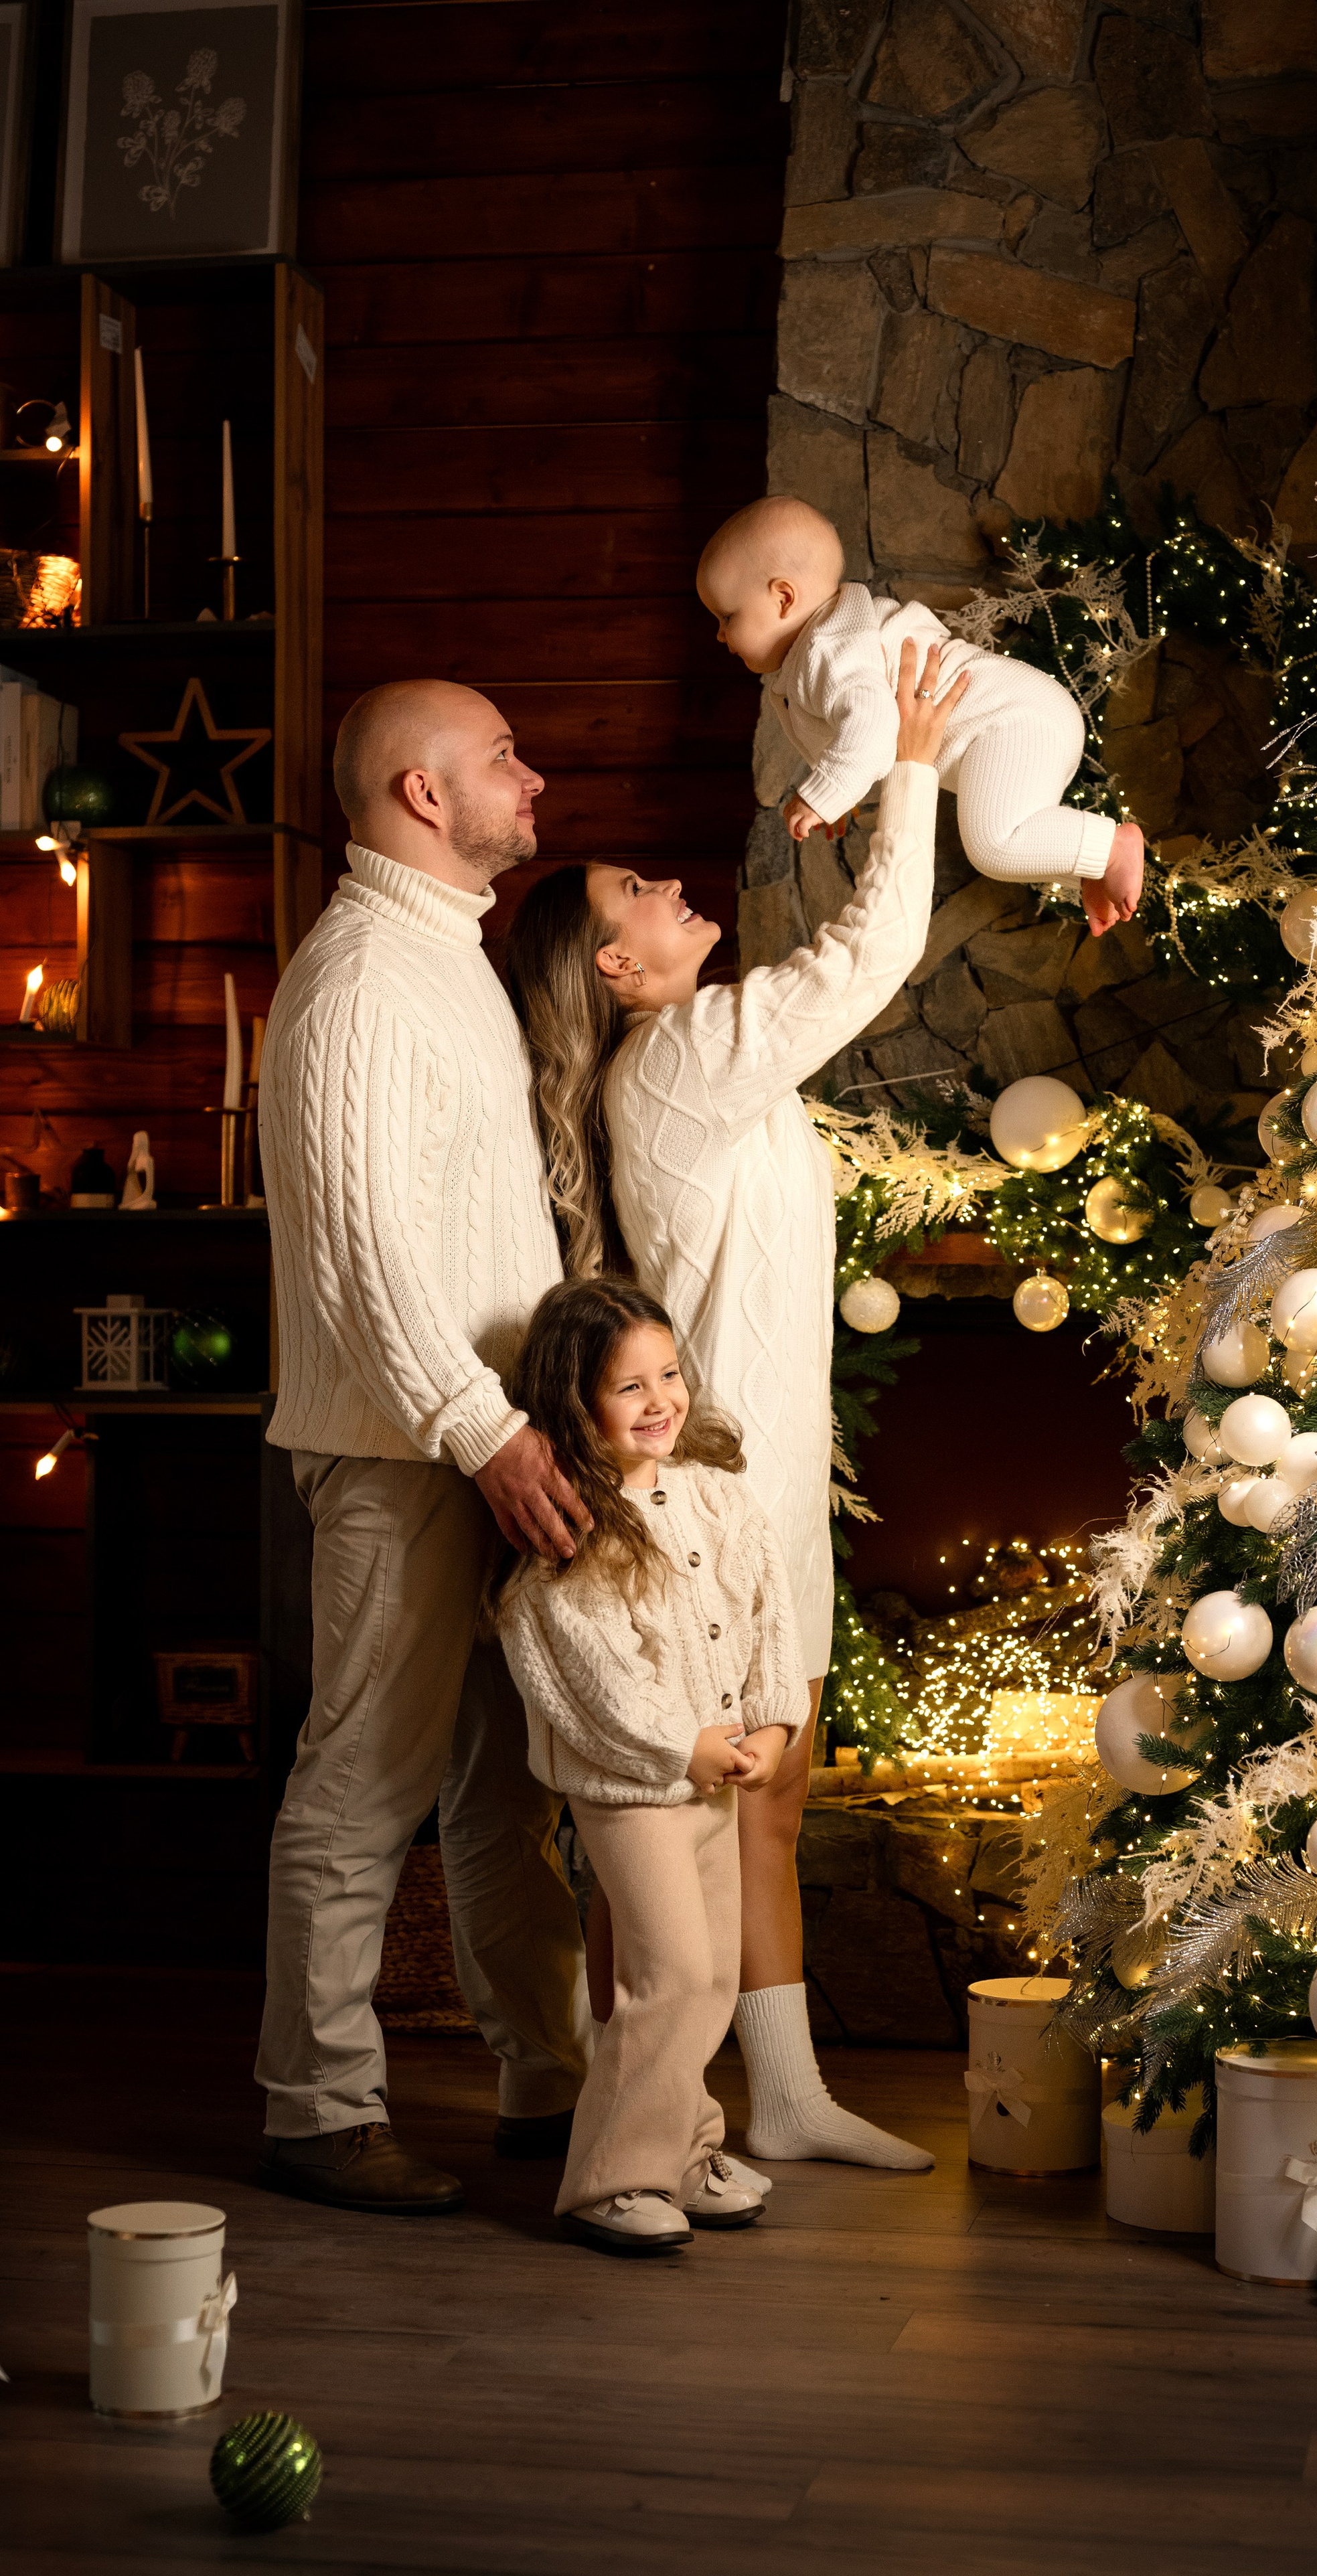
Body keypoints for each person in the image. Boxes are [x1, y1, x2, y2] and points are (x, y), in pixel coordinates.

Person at [506, 640, 959, 2171]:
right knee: (689, 1807)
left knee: (772, 1790)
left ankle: (780, 2089)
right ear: (616, 967)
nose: (666, 886)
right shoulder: (684, 1055)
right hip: (717, 1492)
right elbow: (868, 949)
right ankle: (644, 2106)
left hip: (756, 1480)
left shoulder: (702, 1069)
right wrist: (911, 758)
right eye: (635, 888)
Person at [255, 678, 594, 2214]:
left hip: (483, 1439)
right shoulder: (355, 987)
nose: (533, 776)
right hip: (407, 1451)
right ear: (416, 793)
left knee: (498, 1787)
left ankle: (550, 2084)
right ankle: (317, 2110)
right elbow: (361, 1257)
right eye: (502, 758)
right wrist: (484, 1430)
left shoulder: (441, 957)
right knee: (361, 1781)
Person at [497, 1277, 804, 2255]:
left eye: (668, 1374)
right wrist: (684, 1746)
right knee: (668, 1976)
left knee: (713, 1978)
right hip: (635, 1792)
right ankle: (609, 2179)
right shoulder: (567, 1530)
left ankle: (682, 2149)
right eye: (629, 1388)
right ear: (573, 1403)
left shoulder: (719, 1501)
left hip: (717, 1777)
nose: (661, 1399)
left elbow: (769, 1621)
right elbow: (586, 1677)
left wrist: (774, 1724)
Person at [697, 492, 1145, 936]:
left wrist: (825, 791)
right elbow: (852, 724)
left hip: (1011, 720)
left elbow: (872, 726)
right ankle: (1090, 867)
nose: (720, 635)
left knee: (992, 846)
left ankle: (1109, 847)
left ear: (783, 598)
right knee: (1009, 836)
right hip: (1029, 716)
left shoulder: (827, 650)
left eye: (726, 616)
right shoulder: (834, 640)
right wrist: (839, 787)